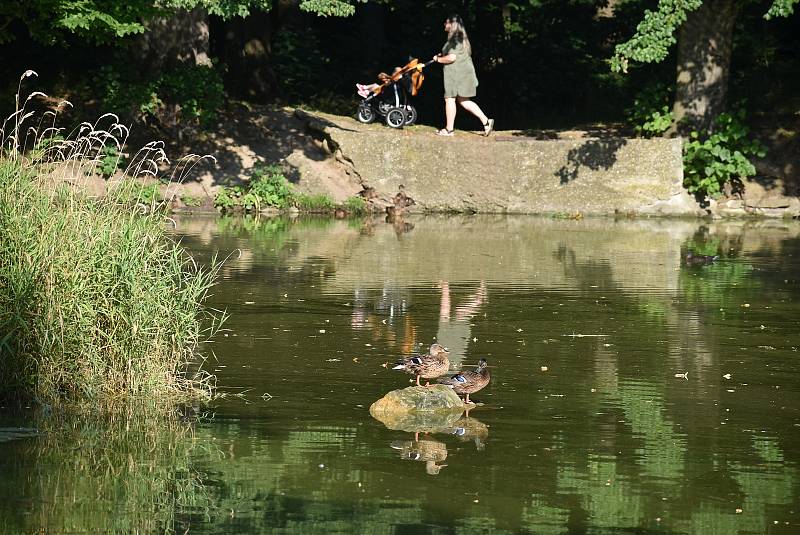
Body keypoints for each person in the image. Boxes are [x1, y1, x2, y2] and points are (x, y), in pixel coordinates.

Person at [432, 14, 494, 137]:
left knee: (449, 99)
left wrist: (438, 60)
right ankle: (486, 122)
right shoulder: (459, 39)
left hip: (456, 75)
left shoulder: (455, 40)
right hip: (462, 74)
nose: (444, 24)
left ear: (451, 24)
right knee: (464, 100)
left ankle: (449, 130)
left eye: (446, 22)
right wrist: (441, 55)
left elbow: (452, 57)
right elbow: (452, 54)